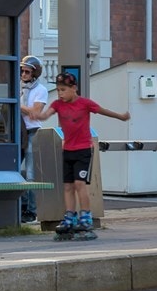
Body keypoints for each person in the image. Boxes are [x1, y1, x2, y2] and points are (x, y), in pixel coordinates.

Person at [29, 71, 130, 234]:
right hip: (67, 150)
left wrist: (121, 116)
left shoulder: (84, 103)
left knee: (79, 184)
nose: (60, 93)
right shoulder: (57, 104)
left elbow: (103, 110)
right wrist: (36, 115)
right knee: (67, 186)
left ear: (74, 88)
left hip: (83, 150)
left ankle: (86, 217)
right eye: (59, 90)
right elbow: (45, 115)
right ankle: (70, 217)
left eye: (63, 90)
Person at [15, 56, 49, 223]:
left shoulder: (40, 90)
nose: (23, 74)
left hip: (32, 131)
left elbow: (35, 112)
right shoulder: (17, 87)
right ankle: (20, 206)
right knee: (15, 171)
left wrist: (16, 104)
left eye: (27, 72)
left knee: (30, 173)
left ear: (35, 74)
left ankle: (31, 211)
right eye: (22, 71)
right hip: (17, 131)